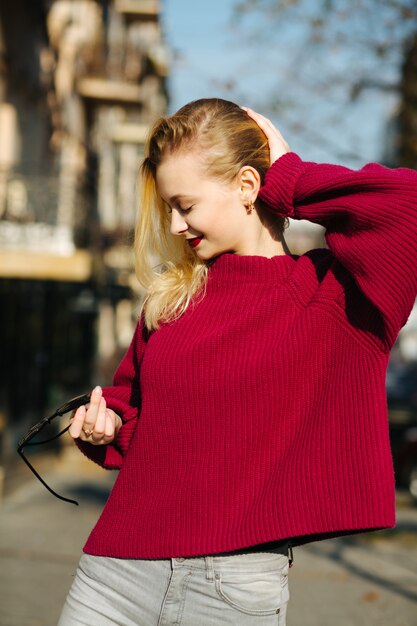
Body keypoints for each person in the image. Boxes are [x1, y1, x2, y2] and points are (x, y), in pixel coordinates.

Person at [58, 98, 417, 626]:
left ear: (249, 187)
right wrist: (105, 425)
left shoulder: (334, 294)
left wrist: (291, 177)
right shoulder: (172, 297)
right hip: (114, 575)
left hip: (231, 592)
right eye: (168, 209)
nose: (176, 225)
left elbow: (407, 207)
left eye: (186, 205)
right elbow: (134, 409)